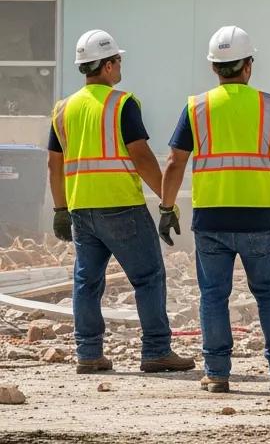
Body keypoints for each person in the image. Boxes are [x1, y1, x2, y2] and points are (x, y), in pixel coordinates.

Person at [160, 25, 270, 393]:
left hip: (210, 219)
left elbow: (175, 161)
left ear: (214, 68)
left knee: (213, 296)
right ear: (248, 66)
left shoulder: (196, 107)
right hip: (258, 218)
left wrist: (166, 207)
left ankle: (216, 374)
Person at [47, 29, 194, 375]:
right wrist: (167, 201)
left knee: (87, 281)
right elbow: (141, 157)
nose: (121, 66)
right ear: (109, 66)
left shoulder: (63, 109)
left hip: (81, 207)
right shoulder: (122, 104)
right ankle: (157, 350)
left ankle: (88, 353)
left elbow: (54, 163)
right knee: (148, 276)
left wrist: (59, 209)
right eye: (119, 60)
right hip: (122, 206)